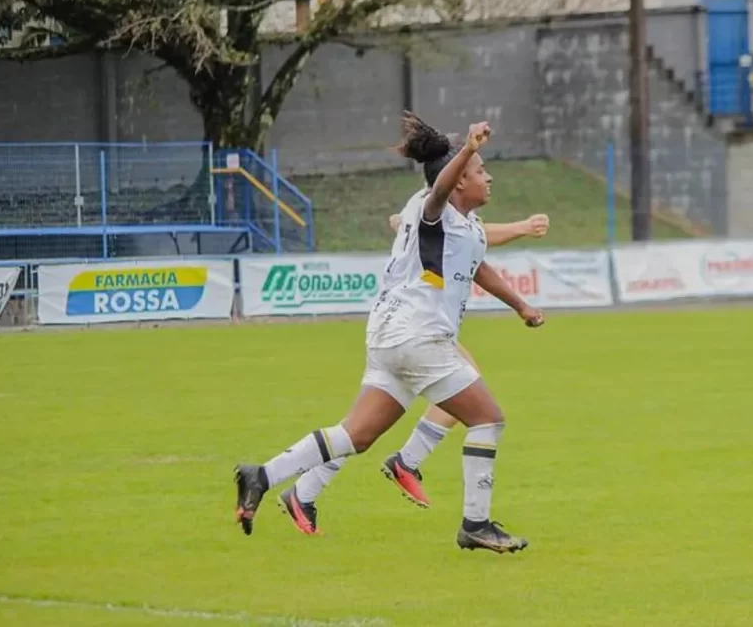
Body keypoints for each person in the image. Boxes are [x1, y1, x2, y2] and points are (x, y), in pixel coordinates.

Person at [234, 112, 545, 554]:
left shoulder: (465, 225)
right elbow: (438, 191)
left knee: (355, 436)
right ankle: (474, 523)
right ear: (459, 181)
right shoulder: (433, 206)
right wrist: (469, 149)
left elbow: (479, 268)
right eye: (480, 171)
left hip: (390, 336)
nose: (487, 177)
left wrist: (521, 306)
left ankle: (261, 476)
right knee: (488, 419)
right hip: (417, 337)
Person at [285, 211, 550, 536]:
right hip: (412, 327)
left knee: (364, 426)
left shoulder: (456, 211)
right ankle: (402, 464)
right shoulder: (437, 198)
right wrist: (521, 227)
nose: (486, 178)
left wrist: (519, 229)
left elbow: (472, 236)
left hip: (422, 327)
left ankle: (311, 488)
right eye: (479, 170)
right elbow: (407, 222)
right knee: (460, 403)